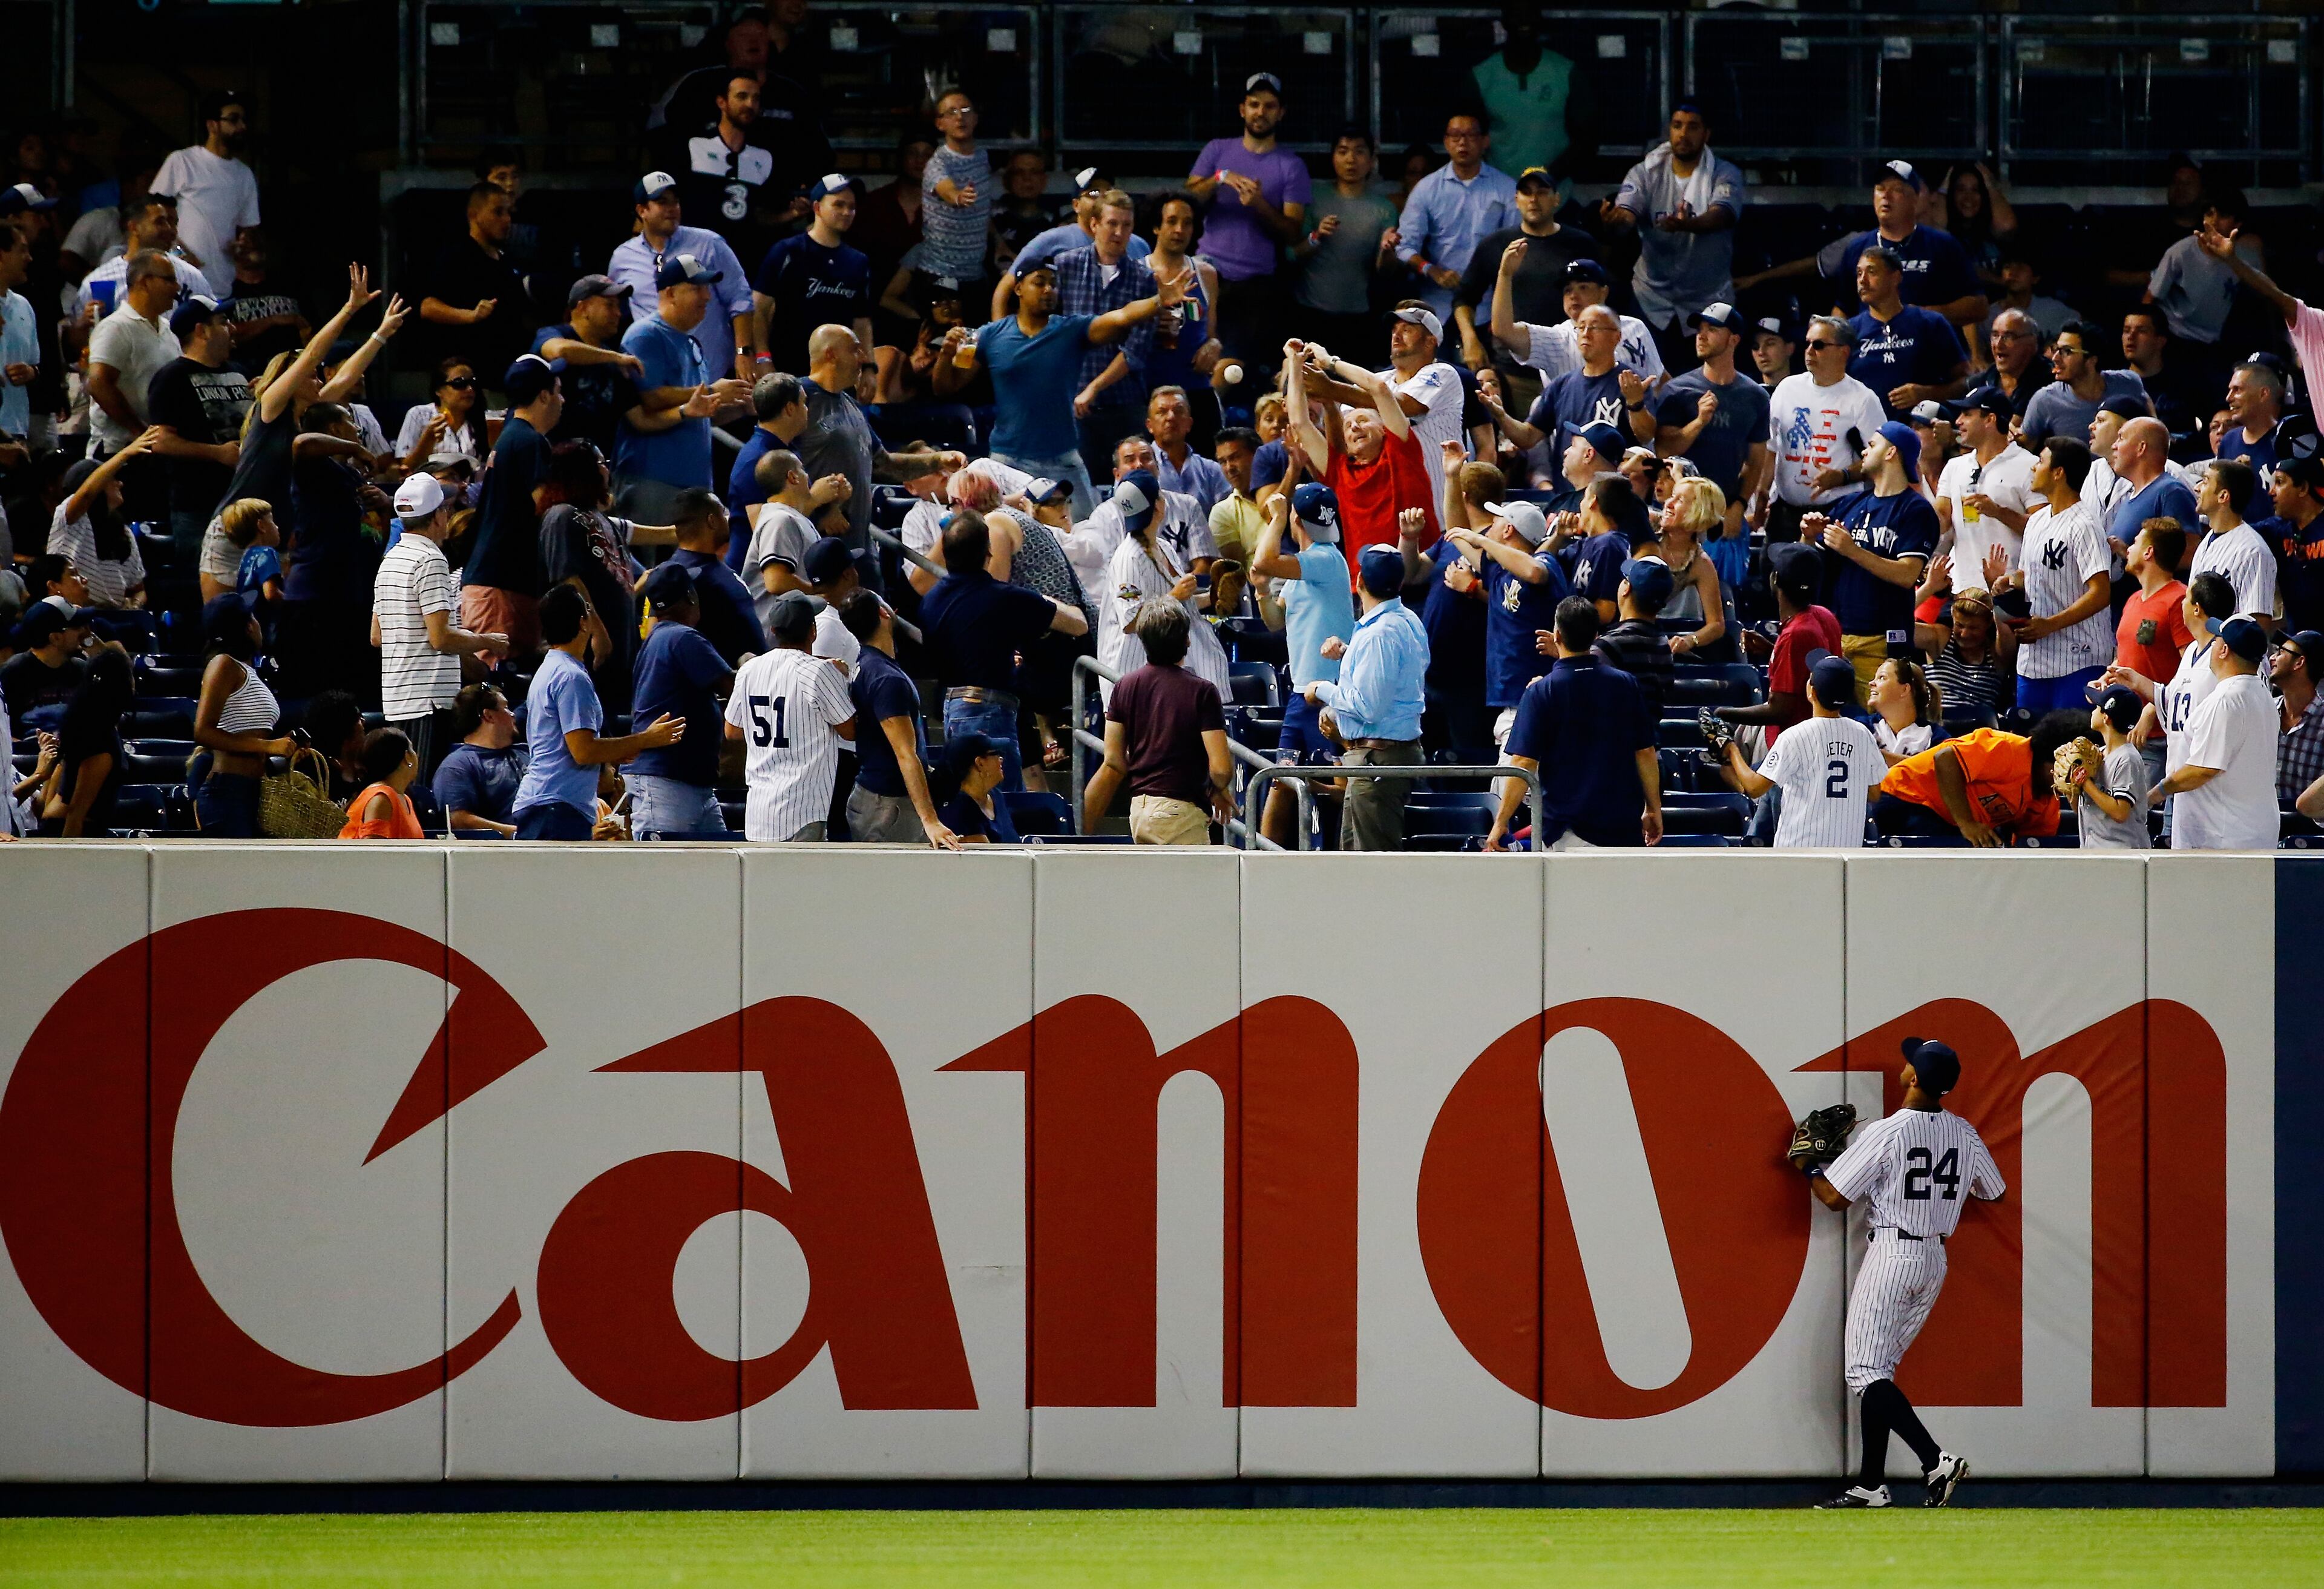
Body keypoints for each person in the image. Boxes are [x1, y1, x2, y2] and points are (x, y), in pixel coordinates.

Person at [1804, 1036, 1998, 1510]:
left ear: (1914, 1077)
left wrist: (1810, 1164)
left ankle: (1935, 1459)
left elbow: (1833, 1197)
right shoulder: (1965, 1133)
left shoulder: (1887, 1132)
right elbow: (1993, 1191)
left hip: (1893, 1253)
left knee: (1865, 1371)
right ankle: (1871, 1485)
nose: (1904, 1062)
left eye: (1910, 1060)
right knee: (1879, 1373)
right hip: (1934, 1258)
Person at [939, 257, 1190, 518]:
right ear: (1019, 289)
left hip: (1063, 459)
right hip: (1007, 460)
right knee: (1005, 535)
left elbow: (1121, 317)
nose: (1049, 290)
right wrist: (945, 356)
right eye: (1039, 283)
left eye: (1054, 284)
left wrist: (1158, 300)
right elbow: (947, 387)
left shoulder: (1071, 330)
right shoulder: (991, 335)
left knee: (1091, 533)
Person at [920, 509, 1088, 791]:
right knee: (1004, 799)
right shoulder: (1005, 598)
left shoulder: (930, 602)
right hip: (991, 711)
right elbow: (1079, 625)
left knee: (972, 799)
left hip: (951, 710)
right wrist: (1044, 597)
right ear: (988, 553)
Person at [1489, 594, 1659, 850]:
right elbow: (1645, 751)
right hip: (1623, 830)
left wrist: (1501, 822)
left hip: (1567, 834)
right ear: (1595, 636)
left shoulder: (1540, 692)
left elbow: (1524, 763)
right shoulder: (1626, 684)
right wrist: (1653, 808)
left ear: (1556, 635)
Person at [512, 585, 682, 840]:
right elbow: (584, 751)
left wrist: (619, 748)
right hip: (557, 803)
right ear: (583, 623)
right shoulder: (571, 677)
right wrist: (648, 738)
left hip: (549, 800)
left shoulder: (551, 668)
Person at [1742, 160, 1986, 329]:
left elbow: (1978, 307)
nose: (1886, 196)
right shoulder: (1858, 248)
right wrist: (1832, 332)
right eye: (1880, 189)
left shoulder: (1942, 245)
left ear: (1915, 199)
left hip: (1927, 359)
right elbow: (1844, 308)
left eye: (1897, 190)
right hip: (1870, 359)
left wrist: (1922, 314)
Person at [375, 472, 505, 776]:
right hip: (427, 699)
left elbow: (377, 636)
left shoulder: (391, 559)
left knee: (407, 787)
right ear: (438, 516)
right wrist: (487, 641)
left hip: (395, 696)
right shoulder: (432, 560)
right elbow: (441, 638)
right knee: (422, 791)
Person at [1245, 484, 1354, 846]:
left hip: (1329, 693)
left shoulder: (1325, 557)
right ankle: (1263, 862)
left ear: (1296, 520)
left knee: (1337, 789)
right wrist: (1262, 591)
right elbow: (1276, 620)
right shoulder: (1302, 570)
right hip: (1300, 694)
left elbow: (1262, 561)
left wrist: (1275, 517)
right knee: (1282, 781)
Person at [1597, 102, 1744, 369]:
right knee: (1646, 379)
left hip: (1708, 301)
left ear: (1707, 134)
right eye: (1677, 126)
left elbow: (1721, 215)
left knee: (1705, 386)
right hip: (1652, 298)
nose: (1683, 134)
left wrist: (1689, 225)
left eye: (1693, 127)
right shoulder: (1645, 172)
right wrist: (1615, 223)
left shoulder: (1725, 173)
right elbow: (1628, 214)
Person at [1186, 73, 1311, 378]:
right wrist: (1219, 179)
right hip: (1205, 273)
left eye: (1269, 106)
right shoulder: (1217, 150)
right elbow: (1186, 199)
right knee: (1193, 353)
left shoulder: (1291, 165)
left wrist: (1259, 205)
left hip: (1255, 285)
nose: (1261, 112)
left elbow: (1294, 233)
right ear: (1242, 109)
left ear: (1280, 113)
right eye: (1254, 104)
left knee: (1233, 365)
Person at [1311, 542, 1431, 851]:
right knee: (1355, 864)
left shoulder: (1380, 633)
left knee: (1373, 868)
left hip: (1378, 761)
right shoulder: (1407, 620)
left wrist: (1321, 689)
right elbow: (1398, 675)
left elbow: (1369, 707)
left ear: (1360, 580)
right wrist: (1349, 655)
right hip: (1380, 758)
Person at [1082, 600, 1233, 844]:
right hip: (1180, 811)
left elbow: (1113, 760)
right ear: (1187, 640)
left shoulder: (1123, 687)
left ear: (1143, 640)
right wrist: (1220, 788)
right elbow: (1221, 768)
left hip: (1140, 810)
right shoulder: (1202, 691)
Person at [1283, 340, 1440, 570]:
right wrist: (1294, 364)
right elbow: (1300, 423)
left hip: (1423, 577)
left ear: (1384, 430)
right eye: (1348, 426)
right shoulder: (1338, 471)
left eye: (1363, 420)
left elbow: (1379, 389)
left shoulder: (1402, 451)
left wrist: (1331, 363)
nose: (1354, 428)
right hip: (1366, 592)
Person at [616, 252, 747, 522]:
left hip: (693, 486)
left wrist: (742, 406)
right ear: (670, 293)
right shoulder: (645, 335)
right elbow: (650, 398)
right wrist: (712, 391)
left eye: (707, 289)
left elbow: (700, 413)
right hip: (651, 481)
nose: (708, 297)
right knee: (648, 564)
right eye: (697, 289)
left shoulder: (691, 343)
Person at [1811, 421, 1938, 700]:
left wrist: (1852, 549)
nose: (1865, 454)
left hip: (1882, 641)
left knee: (1876, 726)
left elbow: (1907, 575)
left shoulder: (1916, 511)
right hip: (1837, 635)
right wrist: (1808, 537)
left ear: (1892, 453)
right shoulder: (1850, 503)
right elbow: (1816, 562)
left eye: (1872, 446)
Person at [2104, 570, 2236, 837]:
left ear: (2197, 609)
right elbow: (2173, 702)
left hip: (2211, 790)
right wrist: (2137, 681)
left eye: (2187, 598)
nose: (2182, 603)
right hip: (2181, 783)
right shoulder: (2191, 654)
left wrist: (2161, 791)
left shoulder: (2225, 658)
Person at [802, 322, 958, 547]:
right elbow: (778, 466)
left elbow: (884, 464)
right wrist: (820, 510)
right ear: (831, 355)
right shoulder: (799, 396)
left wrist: (938, 461)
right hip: (816, 545)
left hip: (859, 542)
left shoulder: (851, 405)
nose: (864, 357)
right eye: (855, 349)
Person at [721, 590, 853, 842]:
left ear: (773, 631)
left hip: (759, 811)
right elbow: (850, 731)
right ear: (813, 631)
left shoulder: (750, 669)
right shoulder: (820, 672)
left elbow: (733, 731)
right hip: (802, 812)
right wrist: (844, 679)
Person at [1993, 437, 2113, 712]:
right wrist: (2009, 582)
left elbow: (2101, 591)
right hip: (2034, 661)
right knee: (2034, 746)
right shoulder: (2036, 520)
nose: (2034, 469)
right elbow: (2030, 575)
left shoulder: (2084, 525)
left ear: (2059, 473)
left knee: (2072, 749)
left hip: (2080, 658)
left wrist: (2050, 624)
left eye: (2041, 462)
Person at [831, 587, 956, 848]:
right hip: (888, 804)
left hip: (876, 797)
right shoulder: (886, 679)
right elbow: (905, 753)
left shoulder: (865, 666)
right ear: (883, 613)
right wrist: (930, 820)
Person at [609, 171, 759, 386]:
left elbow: (740, 299)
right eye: (662, 202)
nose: (672, 208)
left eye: (676, 201)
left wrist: (744, 352)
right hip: (655, 377)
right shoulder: (622, 258)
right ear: (642, 210)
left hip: (714, 374)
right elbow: (616, 309)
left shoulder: (709, 243)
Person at [1716, 652, 1879, 847]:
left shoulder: (1794, 736)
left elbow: (1754, 788)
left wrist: (1731, 749)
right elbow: (1874, 794)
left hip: (1798, 854)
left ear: (1812, 692)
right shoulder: (1864, 735)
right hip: (1846, 856)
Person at [1096, 469, 1232, 703]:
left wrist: (1212, 596)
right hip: (1137, 674)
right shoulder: (1129, 558)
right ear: (1158, 507)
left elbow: (1181, 605)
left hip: (1173, 669)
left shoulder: (1165, 547)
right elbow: (1131, 621)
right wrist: (1175, 596)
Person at [462, 352, 566, 653]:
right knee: (495, 689)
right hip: (502, 586)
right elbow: (545, 509)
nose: (563, 401)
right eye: (559, 392)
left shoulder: (512, 436)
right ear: (544, 396)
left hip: (497, 581)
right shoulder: (530, 441)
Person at [623, 562, 734, 840]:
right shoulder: (681, 637)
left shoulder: (658, 638)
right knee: (664, 878)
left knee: (719, 874)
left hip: (687, 782)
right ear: (691, 596)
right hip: (667, 783)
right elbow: (733, 687)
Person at [2147, 614, 2277, 850]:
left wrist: (2156, 794)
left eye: (2216, 638)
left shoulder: (2226, 699)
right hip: (2249, 829)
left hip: (2220, 838)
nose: (2212, 644)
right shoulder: (2262, 694)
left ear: (2224, 650)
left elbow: (2203, 769)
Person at [1455, 163, 1595, 377]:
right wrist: (1470, 339)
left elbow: (1604, 298)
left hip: (1571, 366)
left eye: (1542, 192)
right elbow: (1464, 298)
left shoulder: (1581, 244)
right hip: (1511, 369)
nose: (1533, 199)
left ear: (1557, 199)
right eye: (1526, 193)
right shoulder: (1496, 244)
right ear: (1516, 200)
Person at [1762, 315, 1884, 545]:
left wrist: (1842, 476)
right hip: (1786, 513)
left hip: (1840, 514)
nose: (1809, 351)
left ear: (1844, 352)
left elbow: (1882, 461)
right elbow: (1770, 448)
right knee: (1775, 576)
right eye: (1807, 343)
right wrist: (1761, 497)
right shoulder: (1787, 388)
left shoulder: (1863, 399)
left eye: (1818, 345)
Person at [145, 294, 248, 561]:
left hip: (244, 499)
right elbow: (160, 441)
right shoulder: (172, 378)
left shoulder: (239, 371)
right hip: (199, 506)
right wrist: (217, 453)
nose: (232, 328)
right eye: (223, 322)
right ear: (201, 331)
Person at [1652, 302, 1770, 536]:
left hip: (1724, 512)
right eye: (1700, 329)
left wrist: (1740, 505)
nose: (1702, 336)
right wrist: (1699, 423)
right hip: (1678, 511)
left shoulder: (1755, 396)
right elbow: (1664, 451)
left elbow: (1756, 461)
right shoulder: (1677, 390)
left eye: (1713, 329)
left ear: (1734, 340)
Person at [1874, 714, 2076, 844]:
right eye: (2065, 770)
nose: (2067, 779)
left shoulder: (2046, 800)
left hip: (1946, 817)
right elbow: (1946, 759)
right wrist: (1967, 823)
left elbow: (2031, 847)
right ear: (2048, 758)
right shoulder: (2009, 749)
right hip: (1906, 795)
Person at [660, 71, 791, 269]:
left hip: (744, 263)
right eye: (742, 96)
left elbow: (760, 216)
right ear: (722, 102)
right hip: (694, 260)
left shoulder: (765, 158)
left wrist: (791, 214)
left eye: (756, 99)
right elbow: (666, 200)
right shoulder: (693, 147)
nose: (750, 104)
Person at [1394, 113, 1516, 325]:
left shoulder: (1506, 188)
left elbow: (1517, 246)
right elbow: (1404, 246)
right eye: (1455, 135)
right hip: (1436, 307)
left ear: (1485, 141)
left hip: (1488, 307)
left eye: (1470, 135)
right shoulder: (1427, 189)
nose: (1462, 142)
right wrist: (1431, 270)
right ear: (1446, 142)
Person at [1294, 130, 1402, 363]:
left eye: (1360, 152)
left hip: (1358, 315)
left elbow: (1385, 271)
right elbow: (1292, 254)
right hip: (1310, 310)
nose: (1351, 160)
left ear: (1372, 160)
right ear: (1333, 157)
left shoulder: (1384, 208)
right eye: (1343, 152)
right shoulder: (1314, 195)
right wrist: (1317, 236)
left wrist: (1387, 250)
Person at [990, 165, 1153, 320]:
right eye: (1094, 192)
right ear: (1076, 205)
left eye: (1108, 190)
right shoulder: (1051, 241)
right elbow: (1005, 289)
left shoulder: (1139, 245)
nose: (1102, 197)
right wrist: (999, 340)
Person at [186, 592, 288, 837]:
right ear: (247, 628)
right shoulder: (223, 664)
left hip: (254, 791)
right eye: (253, 616)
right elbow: (203, 732)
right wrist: (269, 746)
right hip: (228, 792)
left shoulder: (246, 670)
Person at [752, 173, 872, 379]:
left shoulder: (858, 261)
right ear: (817, 208)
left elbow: (861, 321)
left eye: (852, 207)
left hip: (839, 375)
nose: (847, 212)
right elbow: (758, 310)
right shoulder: (787, 251)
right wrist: (763, 358)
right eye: (838, 205)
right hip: (788, 368)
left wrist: (869, 368)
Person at [1490, 252, 1664, 390]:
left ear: (1604, 292)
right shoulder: (1557, 339)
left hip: (1635, 428)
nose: (1573, 296)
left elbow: (1660, 380)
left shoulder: (1635, 327)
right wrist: (1505, 275)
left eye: (1583, 287)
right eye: (1568, 290)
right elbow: (1503, 331)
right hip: (1577, 432)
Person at [417, 182, 532, 382]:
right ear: (474, 215)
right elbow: (428, 307)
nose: (506, 220)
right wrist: (469, 316)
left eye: (508, 212)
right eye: (498, 213)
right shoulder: (457, 257)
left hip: (507, 374)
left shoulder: (507, 260)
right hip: (473, 379)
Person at [153, 90, 260, 297]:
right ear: (212, 125)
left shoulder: (245, 174)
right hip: (180, 284)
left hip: (222, 286)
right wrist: (179, 253)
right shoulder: (183, 161)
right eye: (234, 120)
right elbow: (152, 214)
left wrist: (245, 247)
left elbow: (249, 230)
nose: (242, 127)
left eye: (243, 120)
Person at [1846, 246, 1971, 423]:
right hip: (1865, 439)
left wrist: (1929, 394)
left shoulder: (1930, 323)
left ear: (1896, 277)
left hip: (1921, 435)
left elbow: (1965, 382)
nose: (1863, 281)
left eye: (1871, 272)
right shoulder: (1849, 331)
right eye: (1859, 273)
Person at [1933, 389, 2034, 591]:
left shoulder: (2030, 466)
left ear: (1990, 419)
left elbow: (2044, 529)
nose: (1958, 421)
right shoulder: (1954, 466)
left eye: (1967, 414)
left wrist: (1997, 512)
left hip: (2010, 589)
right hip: (1962, 588)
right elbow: (1941, 519)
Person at [84, 251, 180, 460]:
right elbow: (98, 383)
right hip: (118, 451)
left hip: (153, 450)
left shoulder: (168, 330)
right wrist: (139, 431)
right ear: (145, 282)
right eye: (169, 280)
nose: (177, 287)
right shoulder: (116, 327)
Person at [48, 432, 155, 616]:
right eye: (113, 479)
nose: (120, 484)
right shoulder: (68, 520)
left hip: (116, 616)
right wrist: (124, 454)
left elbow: (138, 589)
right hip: (73, 615)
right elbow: (87, 494)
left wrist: (134, 606)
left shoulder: (124, 532)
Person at [38, 647, 131, 837]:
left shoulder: (82, 728)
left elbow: (56, 787)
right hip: (74, 832)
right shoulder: (101, 742)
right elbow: (76, 814)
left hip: (56, 825)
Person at [2020, 320, 2148, 452]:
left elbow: (2151, 425)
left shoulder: (2128, 383)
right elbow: (2023, 449)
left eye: (2066, 351)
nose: (2055, 358)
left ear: (2091, 360)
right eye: (2056, 350)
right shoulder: (2044, 400)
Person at [920, 90, 993, 302]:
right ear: (940, 124)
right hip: (940, 274)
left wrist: (1000, 243)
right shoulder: (937, 163)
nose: (960, 117)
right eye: (951, 112)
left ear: (976, 119)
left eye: (966, 111)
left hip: (976, 275)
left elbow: (984, 209)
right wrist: (960, 197)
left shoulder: (982, 158)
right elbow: (948, 190)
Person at [2103, 416, 2201, 565]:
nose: (2114, 446)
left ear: (2141, 448)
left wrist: (2131, 554)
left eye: (2121, 438)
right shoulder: (2131, 496)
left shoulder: (2171, 492)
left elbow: (2191, 554)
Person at [2190, 459, 2277, 624]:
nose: (2197, 488)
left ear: (2223, 496)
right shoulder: (2206, 543)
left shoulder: (2253, 552)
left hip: (2229, 649)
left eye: (2205, 482)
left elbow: (2257, 623)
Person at [433, 683, 524, 837]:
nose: (513, 714)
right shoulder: (458, 765)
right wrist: (518, 833)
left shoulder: (528, 751)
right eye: (506, 708)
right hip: (504, 852)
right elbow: (459, 820)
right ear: (489, 715)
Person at [2070, 684, 2153, 850]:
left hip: (2124, 854)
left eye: (2097, 707)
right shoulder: (2096, 756)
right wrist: (2072, 786)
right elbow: (2082, 810)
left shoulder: (2127, 758)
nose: (2093, 711)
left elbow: (2120, 813)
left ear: (2106, 717)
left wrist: (2085, 783)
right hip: (2094, 849)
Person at [0, 602, 91, 725]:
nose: (83, 631)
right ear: (55, 638)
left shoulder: (82, 669)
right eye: (76, 627)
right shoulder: (13, 674)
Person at [2262, 456, 2324, 634]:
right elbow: (2235, 530)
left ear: (2303, 488)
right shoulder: (2276, 530)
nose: (2271, 492)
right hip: (2299, 644)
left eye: (2280, 483)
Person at [394, 357, 487, 474]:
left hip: (470, 488)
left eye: (473, 383)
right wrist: (428, 440)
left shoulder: (485, 420)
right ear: (439, 390)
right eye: (460, 383)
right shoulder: (419, 414)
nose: (470, 389)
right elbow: (406, 469)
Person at [1146, 386, 1230, 516]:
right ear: (1150, 426)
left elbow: (1227, 517)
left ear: (1189, 424)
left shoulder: (1212, 471)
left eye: (1178, 411)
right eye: (1162, 412)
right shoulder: (1138, 469)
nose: (1171, 417)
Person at [337, 728, 427, 840]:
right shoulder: (381, 798)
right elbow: (373, 853)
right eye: (412, 750)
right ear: (407, 757)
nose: (417, 755)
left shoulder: (405, 799)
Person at [936, 732, 1018, 843]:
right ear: (980, 763)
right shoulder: (958, 808)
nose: (1001, 759)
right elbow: (987, 858)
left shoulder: (996, 795)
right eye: (996, 753)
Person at [2273, 629, 2324, 804]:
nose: (2272, 658)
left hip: (2310, 827)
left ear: (2299, 663)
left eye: (2280, 652)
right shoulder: (2265, 709)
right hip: (2262, 821)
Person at [1868, 656, 1937, 765]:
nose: (1871, 683)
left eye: (1882, 678)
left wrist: (1873, 755)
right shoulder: (1862, 727)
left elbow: (1941, 772)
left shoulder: (1934, 736)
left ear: (1905, 689)